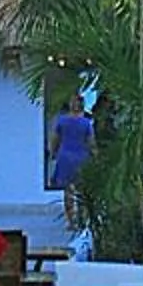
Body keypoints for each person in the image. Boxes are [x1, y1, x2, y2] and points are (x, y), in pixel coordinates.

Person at [49, 93, 96, 229]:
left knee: (68, 191)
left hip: (65, 157)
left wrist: (53, 153)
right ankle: (83, 220)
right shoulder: (86, 123)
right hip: (82, 157)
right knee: (82, 190)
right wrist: (95, 156)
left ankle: (71, 222)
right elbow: (91, 142)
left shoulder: (62, 121)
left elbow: (54, 139)